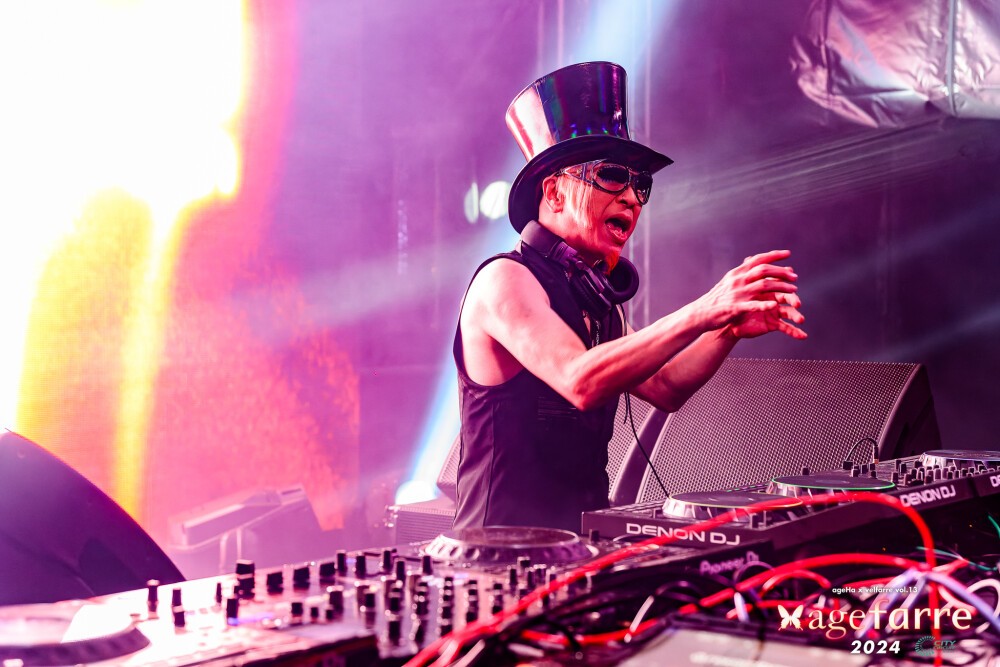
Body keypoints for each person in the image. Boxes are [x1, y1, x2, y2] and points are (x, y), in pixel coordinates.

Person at [453, 62, 806, 532]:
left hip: (582, 549)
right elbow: (579, 380)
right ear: (554, 192)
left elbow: (666, 387)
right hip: (497, 559)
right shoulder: (504, 279)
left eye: (640, 185)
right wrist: (706, 308)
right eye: (612, 176)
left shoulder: (595, 301)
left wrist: (727, 328)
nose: (633, 199)